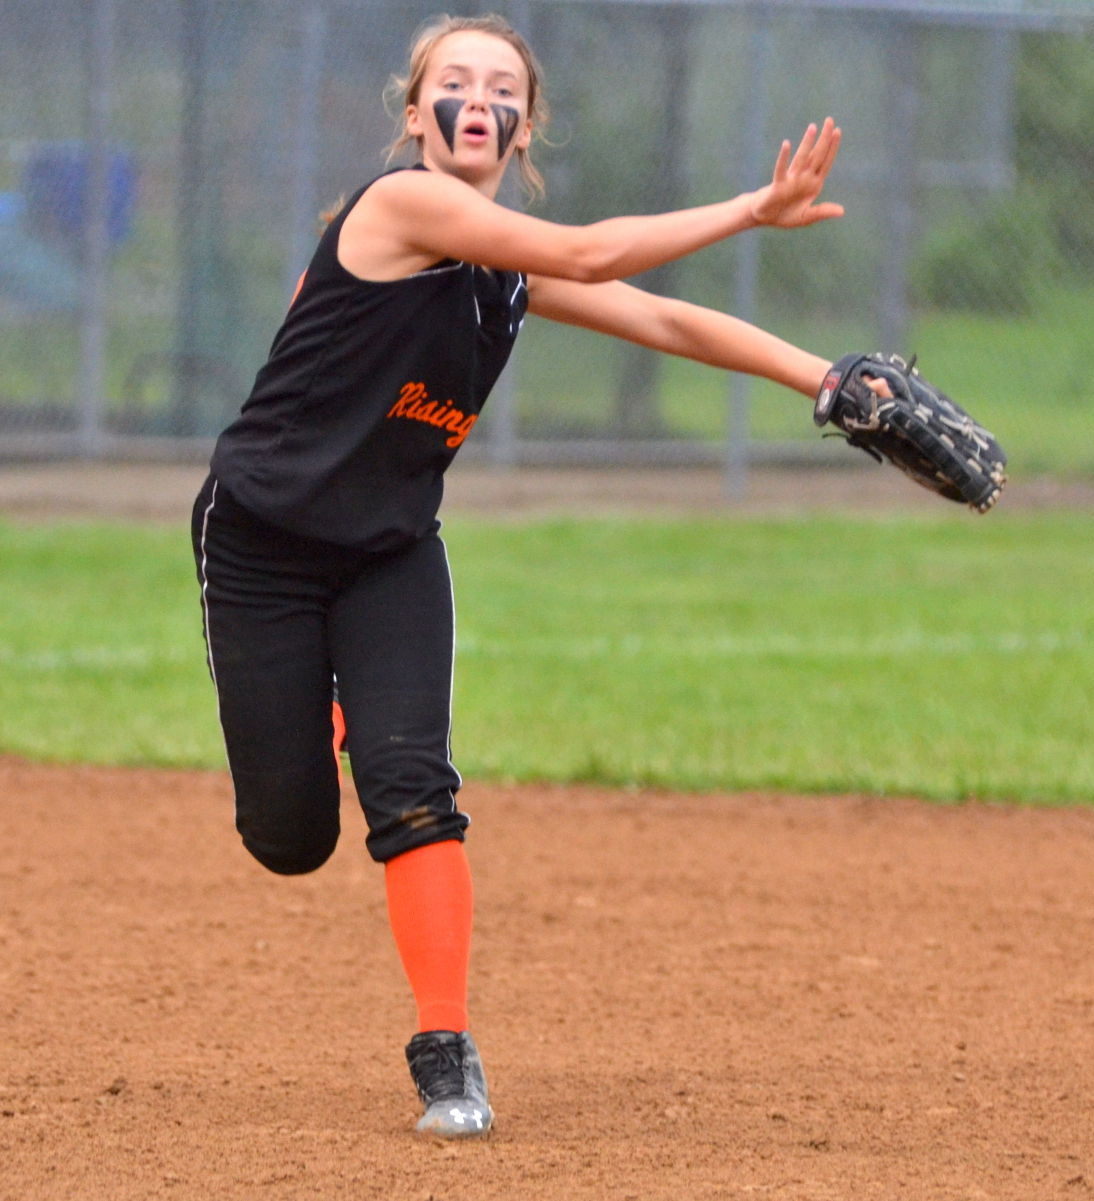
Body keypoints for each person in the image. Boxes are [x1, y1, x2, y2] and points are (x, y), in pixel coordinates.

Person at [192, 11, 848, 1139]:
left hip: (391, 549)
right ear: (417, 115)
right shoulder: (399, 207)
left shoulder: (501, 268)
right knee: (290, 838)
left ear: (523, 123)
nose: (479, 96)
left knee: (413, 790)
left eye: (503, 83)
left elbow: (658, 317)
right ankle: (331, 703)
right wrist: (749, 207)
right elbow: (594, 253)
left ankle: (445, 1052)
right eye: (455, 80)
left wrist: (826, 377)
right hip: (264, 545)